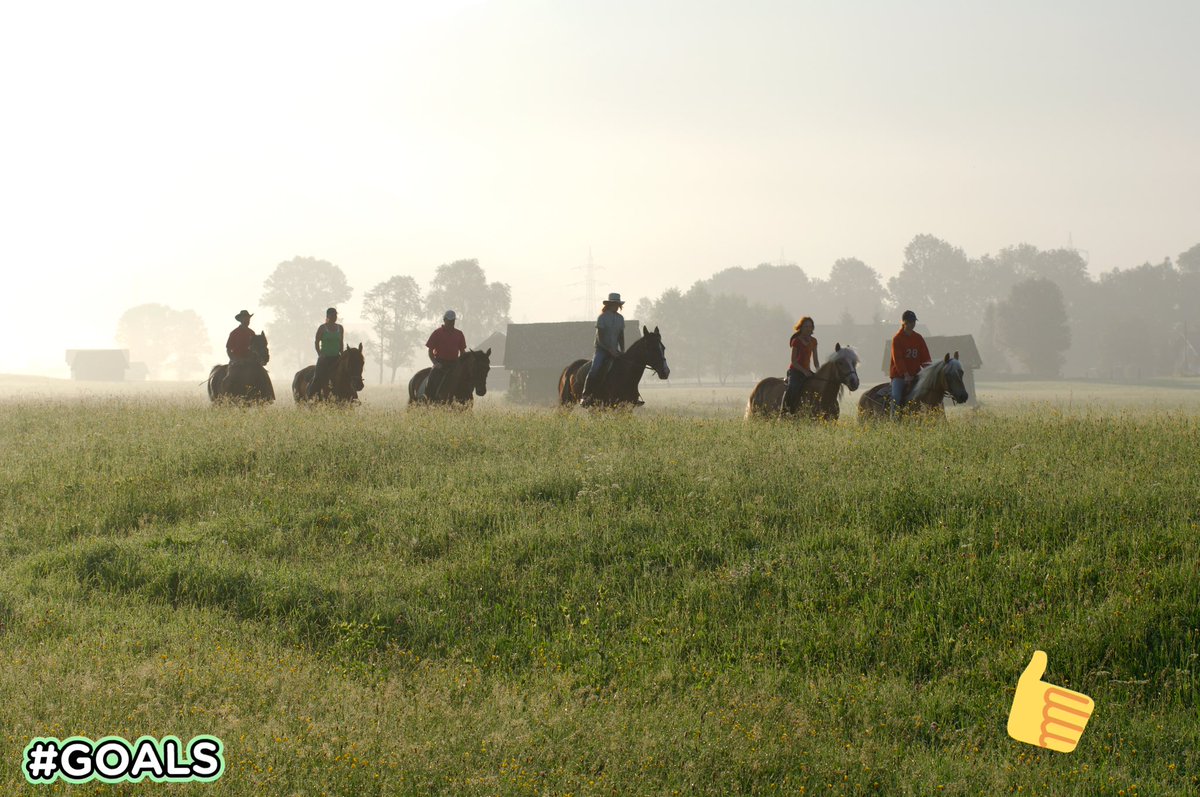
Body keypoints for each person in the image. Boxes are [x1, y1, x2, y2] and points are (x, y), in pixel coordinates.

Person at [580, 292, 626, 406]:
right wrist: (609, 350)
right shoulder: (602, 318)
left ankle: (630, 394)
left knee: (626, 368)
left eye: (617, 304)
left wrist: (623, 350)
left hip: (615, 350)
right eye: (614, 304)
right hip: (601, 350)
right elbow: (599, 338)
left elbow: (621, 336)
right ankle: (585, 395)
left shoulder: (620, 319)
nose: (616, 306)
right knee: (594, 368)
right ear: (609, 304)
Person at [890, 309, 931, 413]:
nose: (913, 324)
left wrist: (929, 372)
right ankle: (893, 419)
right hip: (899, 376)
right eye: (910, 322)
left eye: (914, 321)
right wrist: (905, 374)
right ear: (904, 322)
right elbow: (898, 359)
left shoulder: (918, 338)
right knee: (896, 397)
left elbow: (925, 358)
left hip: (916, 375)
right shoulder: (897, 339)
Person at [425, 310, 467, 400]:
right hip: (440, 363)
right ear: (444, 320)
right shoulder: (437, 333)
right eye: (449, 321)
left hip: (454, 363)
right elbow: (430, 351)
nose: (451, 323)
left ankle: (465, 399)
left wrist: (461, 364)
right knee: (432, 377)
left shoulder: (459, 334)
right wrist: (435, 363)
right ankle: (428, 399)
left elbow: (462, 351)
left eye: (453, 321)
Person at [782, 316, 819, 415]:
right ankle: (786, 411)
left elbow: (815, 360)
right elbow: (793, 361)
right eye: (806, 326)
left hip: (807, 372)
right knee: (793, 387)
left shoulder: (814, 341)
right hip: (795, 371)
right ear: (801, 327)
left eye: (810, 326)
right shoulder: (796, 341)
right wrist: (804, 371)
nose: (808, 328)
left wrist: (819, 371)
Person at [306, 307, 345, 399]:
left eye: (336, 315)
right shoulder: (322, 328)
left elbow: (341, 342)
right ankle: (311, 393)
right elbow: (316, 342)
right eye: (333, 315)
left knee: (347, 374)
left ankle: (352, 395)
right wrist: (320, 354)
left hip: (337, 357)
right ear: (328, 316)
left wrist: (342, 353)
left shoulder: (340, 328)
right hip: (325, 358)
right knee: (318, 375)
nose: (335, 317)